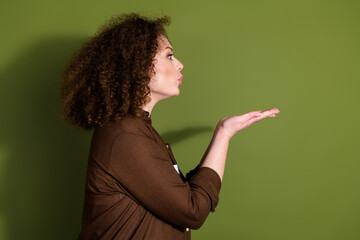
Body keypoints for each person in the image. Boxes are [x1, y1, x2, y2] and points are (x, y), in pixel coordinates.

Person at [60, 13, 279, 240]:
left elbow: (182, 197)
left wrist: (224, 131)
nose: (180, 64)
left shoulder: (136, 129)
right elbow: (192, 211)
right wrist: (224, 135)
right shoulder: (124, 136)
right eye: (169, 56)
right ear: (138, 64)